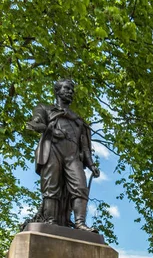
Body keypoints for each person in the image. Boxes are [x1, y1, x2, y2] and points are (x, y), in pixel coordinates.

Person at [27, 79, 100, 231]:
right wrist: (52, 131)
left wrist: (91, 165)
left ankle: (80, 223)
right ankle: (51, 221)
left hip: (73, 157)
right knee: (51, 186)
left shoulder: (79, 120)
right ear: (57, 91)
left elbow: (85, 146)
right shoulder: (44, 108)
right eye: (66, 88)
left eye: (72, 89)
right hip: (53, 150)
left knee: (80, 187)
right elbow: (34, 124)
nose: (70, 92)